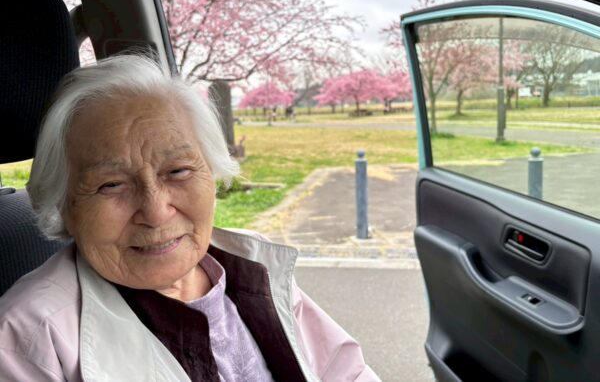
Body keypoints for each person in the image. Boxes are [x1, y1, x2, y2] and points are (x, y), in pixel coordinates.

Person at [0, 55, 379, 382]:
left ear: (212, 172)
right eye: (111, 184)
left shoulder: (255, 267)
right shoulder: (29, 337)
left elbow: (343, 371)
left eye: (178, 171)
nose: (155, 211)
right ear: (64, 205)